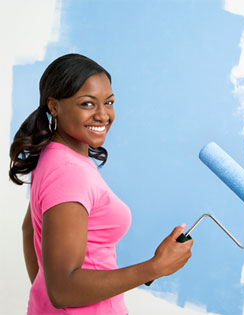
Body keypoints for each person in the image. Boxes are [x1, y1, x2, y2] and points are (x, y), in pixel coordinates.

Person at [9, 53, 193, 315]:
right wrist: (155, 267)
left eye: (109, 102)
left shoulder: (53, 155)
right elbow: (62, 290)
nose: (103, 115)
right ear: (54, 106)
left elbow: (30, 229)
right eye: (87, 104)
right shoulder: (68, 171)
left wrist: (47, 295)